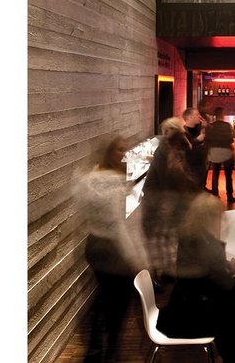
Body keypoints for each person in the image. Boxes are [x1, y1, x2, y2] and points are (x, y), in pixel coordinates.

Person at [156, 194, 235, 361]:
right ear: (210, 218)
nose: (222, 221)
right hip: (194, 313)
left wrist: (231, 268)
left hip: (189, 303)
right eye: (219, 217)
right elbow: (223, 285)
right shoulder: (205, 245)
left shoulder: (191, 237)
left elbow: (213, 275)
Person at [75, 137, 149, 363]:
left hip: (94, 245)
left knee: (105, 295)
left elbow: (82, 211)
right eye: (120, 149)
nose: (125, 153)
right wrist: (136, 257)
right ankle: (110, 349)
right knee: (119, 301)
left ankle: (95, 348)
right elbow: (121, 226)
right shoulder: (117, 185)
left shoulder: (89, 180)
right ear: (109, 153)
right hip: (114, 248)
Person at [140, 117, 205, 285]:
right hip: (168, 199)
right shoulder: (179, 146)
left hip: (164, 198)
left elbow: (168, 176)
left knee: (161, 237)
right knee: (166, 237)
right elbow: (174, 176)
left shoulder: (170, 147)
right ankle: (163, 274)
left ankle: (163, 274)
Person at [205, 106, 235, 204]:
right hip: (226, 152)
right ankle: (230, 197)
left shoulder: (210, 126)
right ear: (222, 115)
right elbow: (232, 139)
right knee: (228, 176)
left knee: (215, 174)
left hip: (214, 153)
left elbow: (207, 140)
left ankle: (215, 195)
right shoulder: (227, 126)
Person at [182, 107, 210, 195]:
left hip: (201, 162)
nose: (200, 116)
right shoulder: (183, 132)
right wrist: (197, 140)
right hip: (191, 165)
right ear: (190, 117)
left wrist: (205, 127)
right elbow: (185, 148)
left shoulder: (199, 128)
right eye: (197, 114)